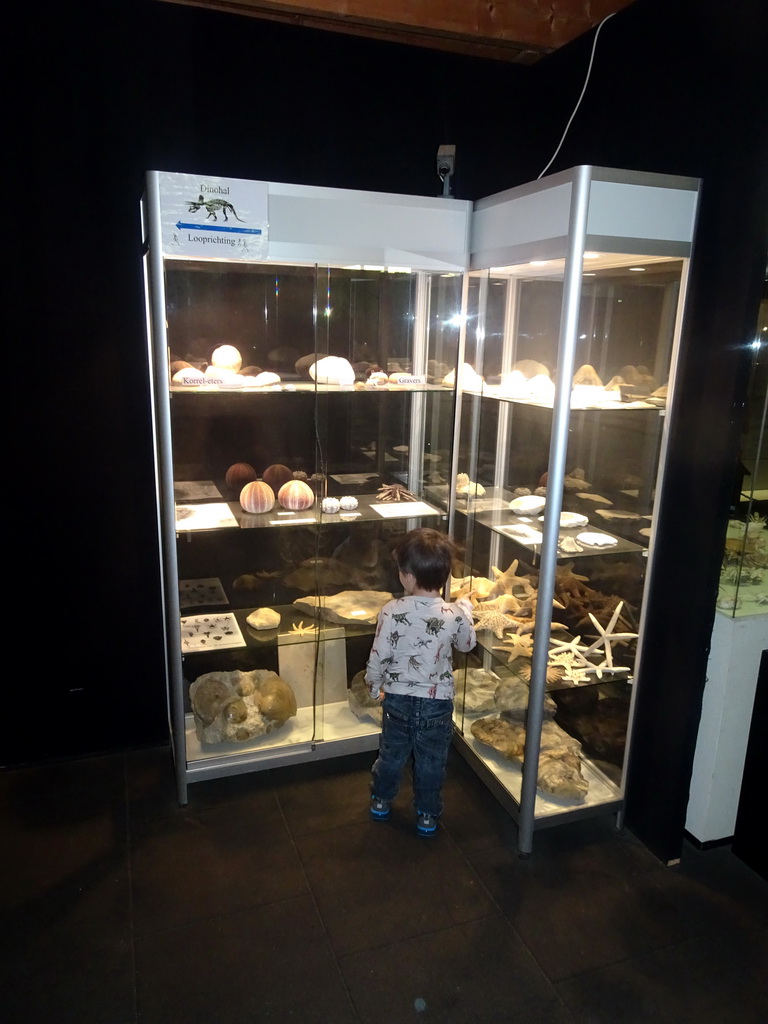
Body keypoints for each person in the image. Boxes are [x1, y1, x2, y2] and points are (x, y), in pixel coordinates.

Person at [366, 528, 476, 837]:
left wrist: (373, 685)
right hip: (437, 705)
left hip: (397, 700)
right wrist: (465, 612)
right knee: (431, 762)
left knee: (391, 754)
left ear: (407, 576)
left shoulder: (391, 611)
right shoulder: (453, 613)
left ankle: (381, 800)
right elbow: (467, 645)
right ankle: (427, 815)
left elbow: (379, 655)